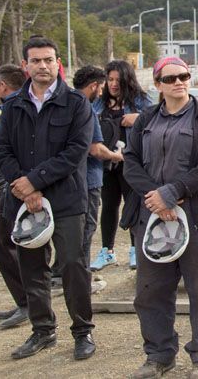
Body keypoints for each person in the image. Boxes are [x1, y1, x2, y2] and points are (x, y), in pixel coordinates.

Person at [0, 35, 96, 360]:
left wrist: (34, 183)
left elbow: (76, 152)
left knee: (71, 265)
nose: (42, 66)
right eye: (36, 60)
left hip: (65, 199)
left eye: (48, 60)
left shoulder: (77, 103)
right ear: (25, 66)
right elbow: (3, 149)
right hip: (23, 202)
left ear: (58, 63)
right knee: (31, 267)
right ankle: (42, 331)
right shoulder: (13, 106)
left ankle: (82, 332)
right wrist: (22, 187)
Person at [123, 56, 198, 379]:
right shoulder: (146, 120)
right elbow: (131, 162)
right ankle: (159, 355)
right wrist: (156, 198)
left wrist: (173, 193)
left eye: (184, 76)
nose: (179, 81)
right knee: (151, 289)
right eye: (170, 78)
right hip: (153, 216)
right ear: (158, 85)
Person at [90, 59, 152, 271]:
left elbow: (158, 120)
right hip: (106, 163)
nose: (113, 84)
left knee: (133, 204)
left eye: (118, 80)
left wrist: (139, 118)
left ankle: (136, 249)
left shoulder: (141, 102)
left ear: (128, 80)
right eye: (110, 79)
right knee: (108, 205)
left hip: (131, 162)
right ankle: (107, 251)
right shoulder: (98, 104)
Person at [0, 64, 28, 329]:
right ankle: (24, 301)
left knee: (8, 244)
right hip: (7, 188)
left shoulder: (15, 108)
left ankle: (27, 303)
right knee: (5, 243)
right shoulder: (10, 108)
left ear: (3, 86)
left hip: (13, 189)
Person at [73, 66, 125, 266]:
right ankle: (81, 276)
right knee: (86, 228)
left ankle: (65, 273)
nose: (103, 92)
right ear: (93, 86)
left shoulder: (64, 105)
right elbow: (95, 148)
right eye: (102, 86)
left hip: (70, 180)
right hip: (89, 179)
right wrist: (115, 156)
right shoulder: (86, 109)